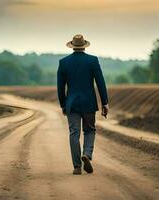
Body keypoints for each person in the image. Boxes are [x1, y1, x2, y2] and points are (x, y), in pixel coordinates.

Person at [57, 34, 109, 175]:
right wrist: (105, 102)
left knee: (74, 133)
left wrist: (63, 104)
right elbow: (100, 82)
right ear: (84, 45)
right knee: (90, 130)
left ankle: (77, 167)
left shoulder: (64, 62)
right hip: (89, 102)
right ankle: (87, 153)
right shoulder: (93, 61)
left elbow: (60, 87)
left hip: (72, 103)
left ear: (72, 46)